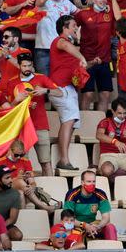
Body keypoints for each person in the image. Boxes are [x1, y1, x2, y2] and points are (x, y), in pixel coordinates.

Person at [6, 53, 61, 176]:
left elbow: (60, 92)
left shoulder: (41, 78)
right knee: (22, 162)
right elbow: (8, 109)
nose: (27, 68)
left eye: (29, 65)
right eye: (24, 66)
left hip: (40, 126)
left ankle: (51, 189)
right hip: (22, 127)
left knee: (46, 162)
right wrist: (17, 100)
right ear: (19, 66)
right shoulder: (11, 82)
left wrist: (45, 90)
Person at [49, 15, 86, 171]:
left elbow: (76, 63)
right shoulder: (60, 40)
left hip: (68, 88)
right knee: (68, 121)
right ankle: (64, 160)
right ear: (64, 28)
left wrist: (89, 61)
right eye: (73, 25)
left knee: (70, 124)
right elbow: (66, 46)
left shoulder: (70, 44)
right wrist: (82, 56)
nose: (76, 28)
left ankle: (64, 159)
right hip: (60, 87)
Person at [34, 0, 78, 75]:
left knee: (62, 79)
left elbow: (81, 14)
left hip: (62, 48)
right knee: (45, 83)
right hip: (44, 49)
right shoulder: (44, 1)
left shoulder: (67, 3)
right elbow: (39, 3)